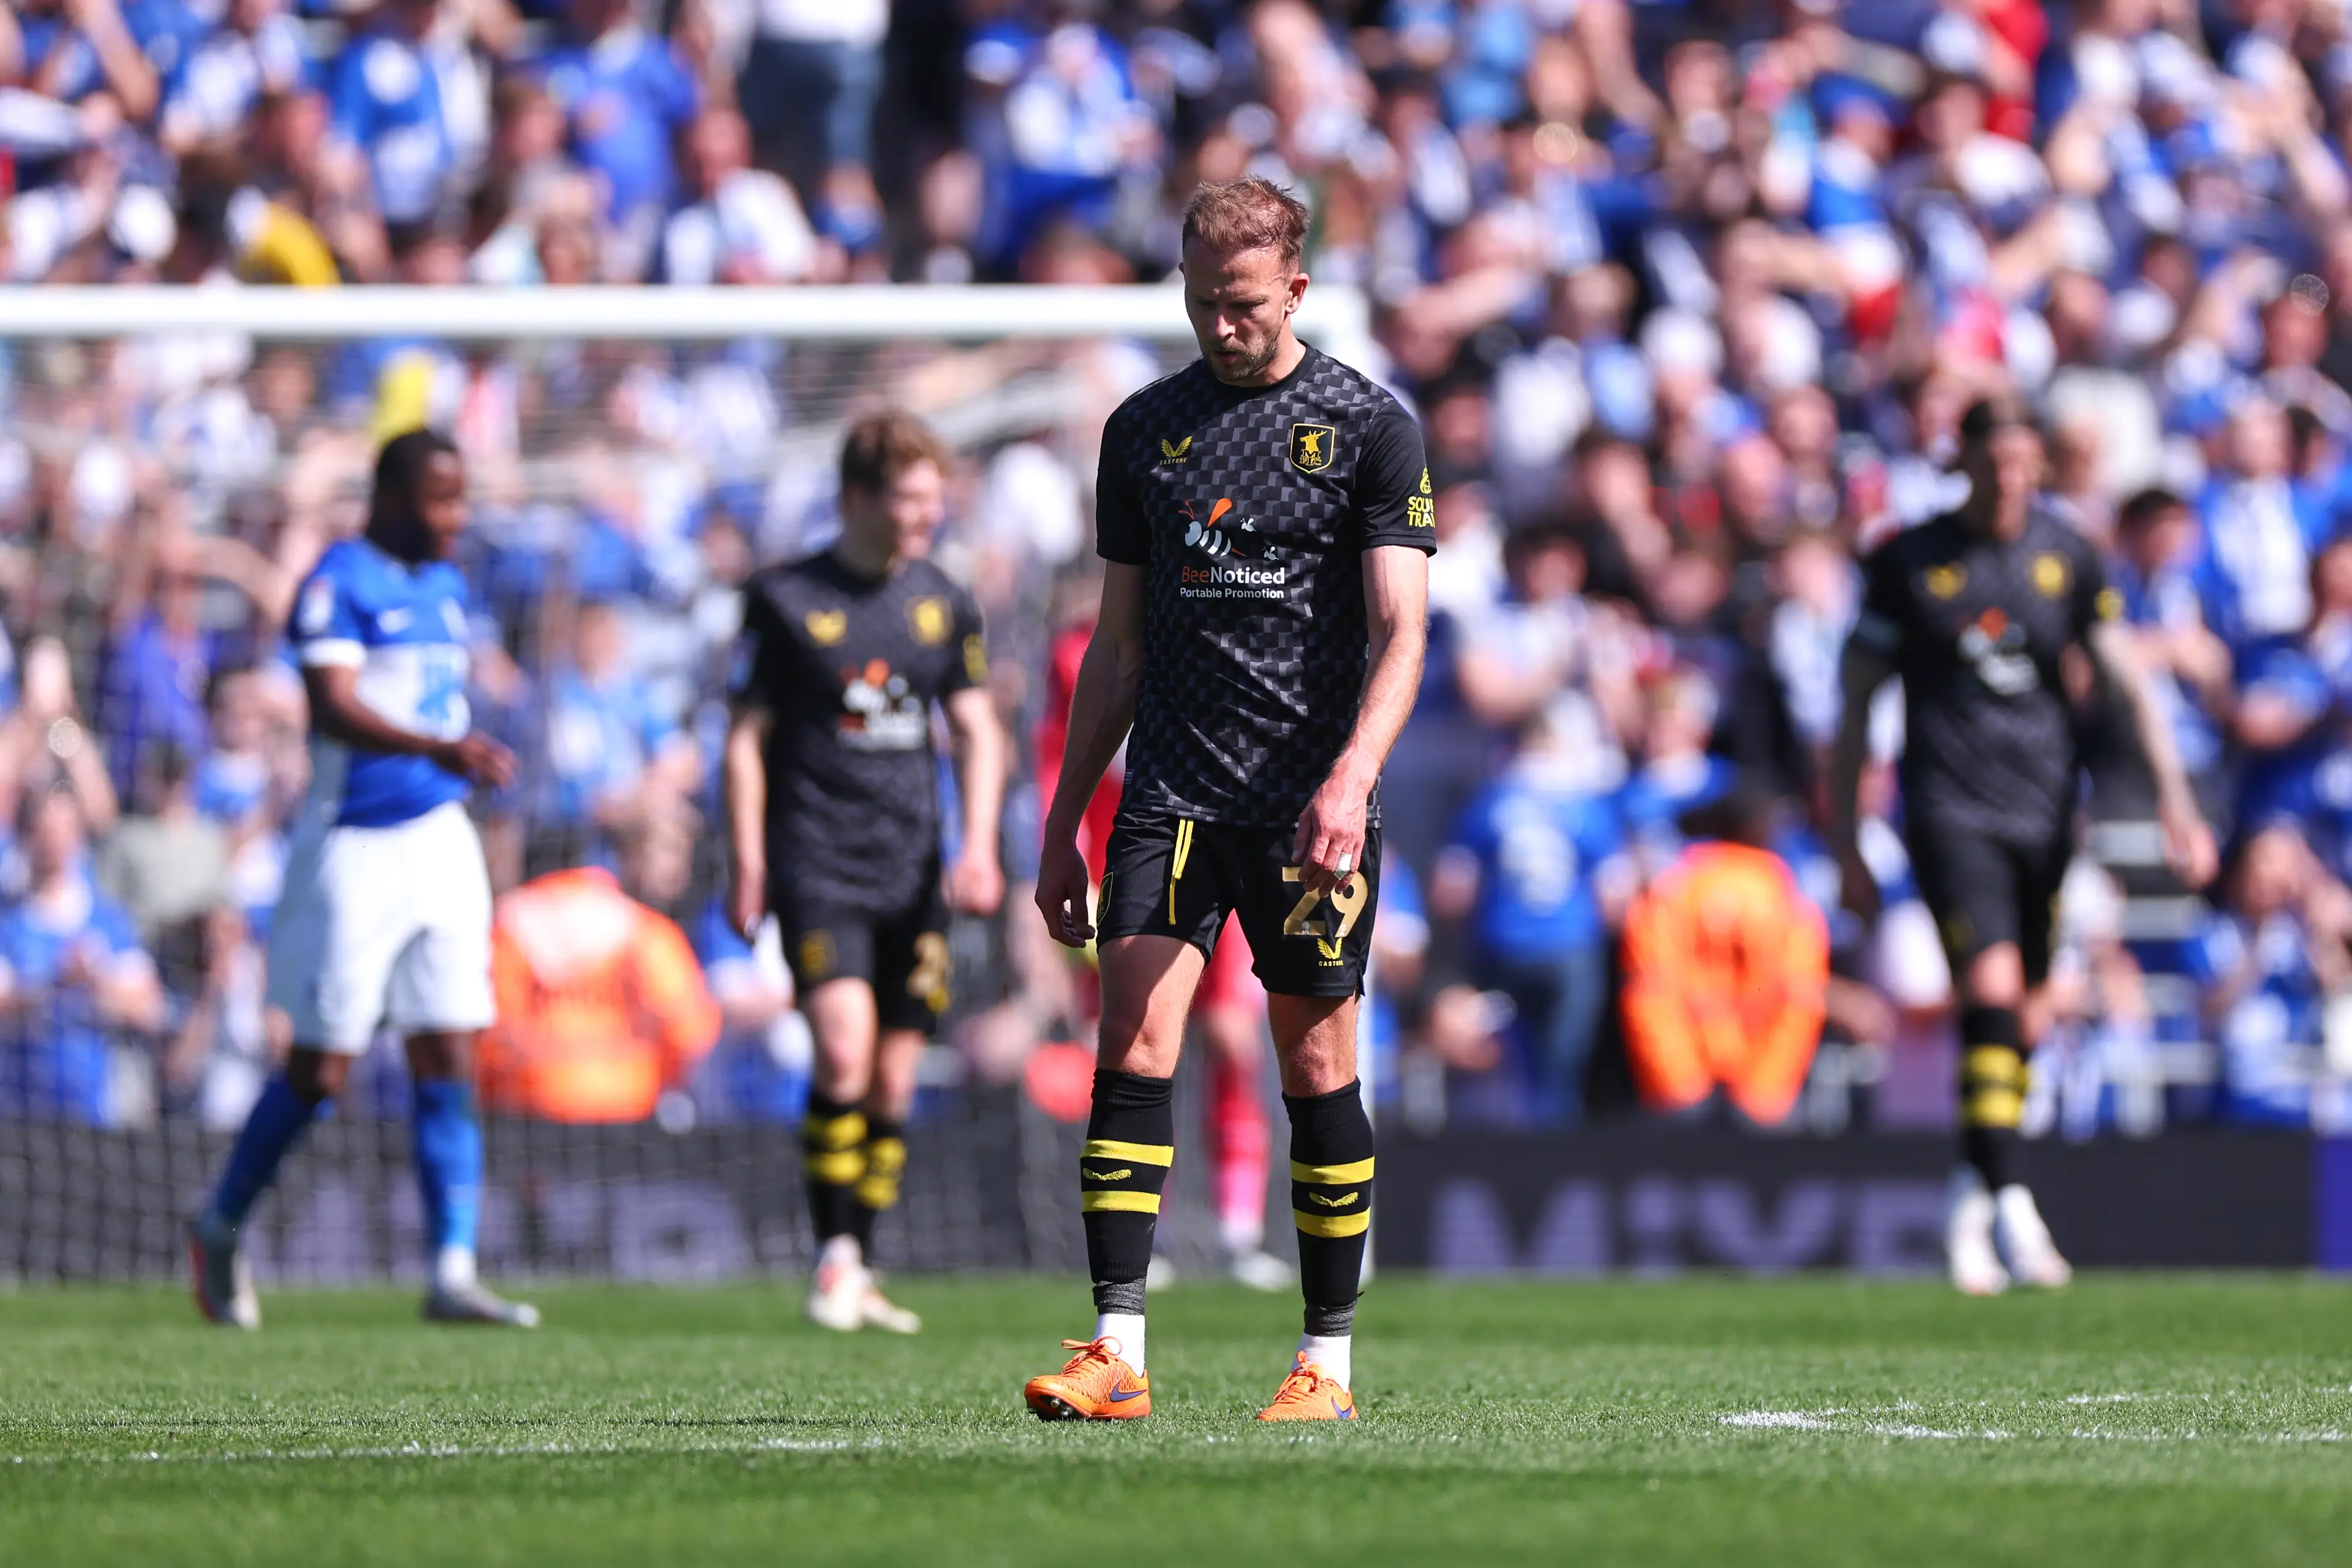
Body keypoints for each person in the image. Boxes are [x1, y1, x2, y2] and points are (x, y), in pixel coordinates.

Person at [1023, 176, 1432, 1423]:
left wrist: (1352, 779)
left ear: (1296, 289)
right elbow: (1116, 647)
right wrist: (1059, 821)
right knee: (1131, 1047)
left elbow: (1402, 628)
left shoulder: (1367, 426)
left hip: (1308, 808)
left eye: (1243, 304)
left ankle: (1327, 1362)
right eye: (1201, 304)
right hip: (1174, 791)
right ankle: (1115, 1347)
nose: (1221, 326)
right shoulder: (1146, 429)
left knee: (1314, 1063)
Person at [1830, 397, 2217, 1297]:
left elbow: (2129, 682)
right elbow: (1855, 705)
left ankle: (1972, 1194)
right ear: (1960, 460)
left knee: (2026, 1016)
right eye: (1993, 461)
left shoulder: (2067, 553)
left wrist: (2174, 798)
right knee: (1994, 991)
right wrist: (1848, 838)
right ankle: (2014, 1203)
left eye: (2023, 463)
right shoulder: (1907, 560)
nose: (2010, 480)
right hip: (1947, 808)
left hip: (2045, 812)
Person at [186, 428, 535, 1330]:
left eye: (461, 499)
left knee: (450, 1048)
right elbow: (333, 708)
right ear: (389, 498)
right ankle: (221, 1222)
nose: (456, 518)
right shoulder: (339, 581)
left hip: (441, 839)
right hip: (354, 846)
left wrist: (455, 760)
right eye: (440, 500)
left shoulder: (447, 587)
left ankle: (452, 1270)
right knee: (322, 1067)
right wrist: (440, 747)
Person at [725, 409, 1006, 1335]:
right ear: (857, 498)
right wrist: (752, 862)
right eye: (911, 500)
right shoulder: (783, 598)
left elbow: (975, 730)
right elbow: (747, 739)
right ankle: (832, 1257)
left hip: (913, 869)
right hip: (819, 864)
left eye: (936, 500)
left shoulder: (943, 600)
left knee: (891, 1084)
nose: (929, 517)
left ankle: (861, 1261)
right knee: (842, 1051)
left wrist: (976, 849)